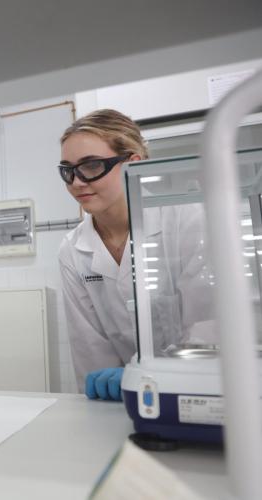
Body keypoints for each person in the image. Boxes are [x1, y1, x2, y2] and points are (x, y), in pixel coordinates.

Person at [57, 109, 212, 401]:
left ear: (133, 164)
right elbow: (90, 349)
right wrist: (107, 392)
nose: (76, 182)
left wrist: (151, 374)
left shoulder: (184, 219)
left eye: (91, 166)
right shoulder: (72, 249)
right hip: (118, 399)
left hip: (194, 390)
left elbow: (207, 331)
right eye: (68, 170)